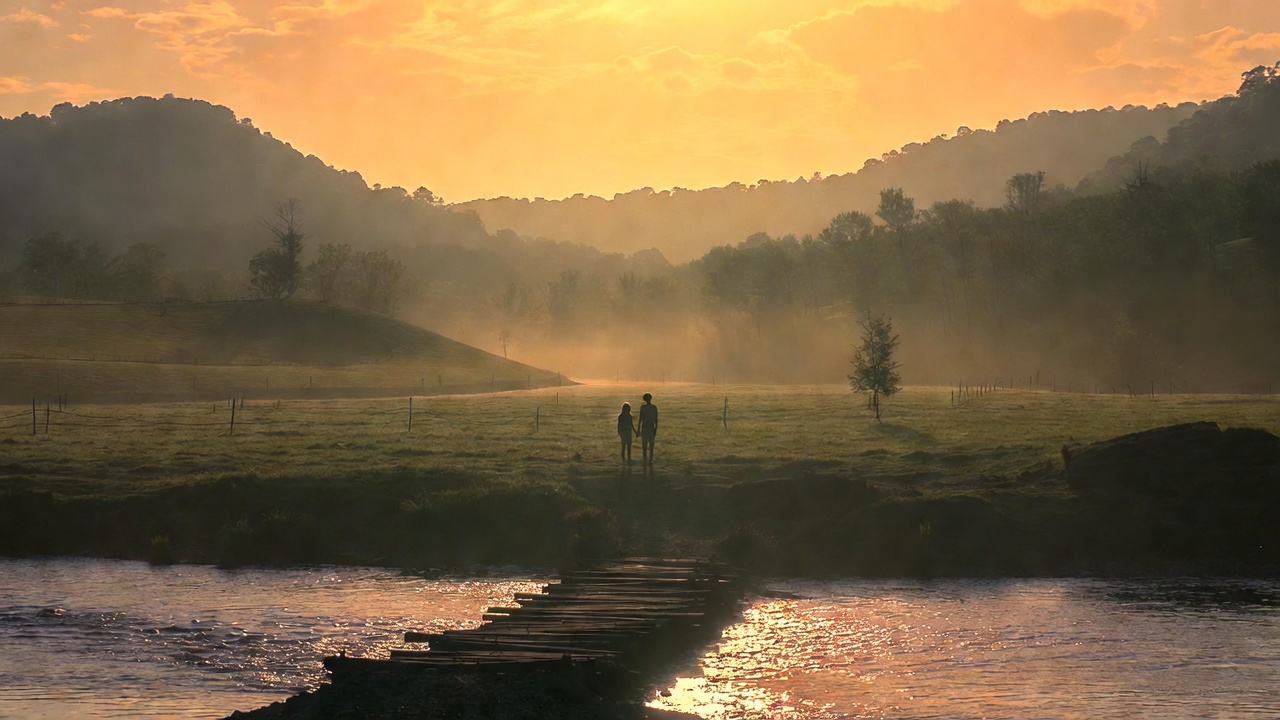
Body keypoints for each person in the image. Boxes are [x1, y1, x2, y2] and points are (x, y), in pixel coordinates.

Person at [637, 392, 658, 467]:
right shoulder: (654, 407)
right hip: (651, 427)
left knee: (644, 446)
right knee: (651, 445)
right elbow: (656, 419)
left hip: (645, 427)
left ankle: (645, 460)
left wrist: (638, 430)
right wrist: (656, 429)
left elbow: (640, 419)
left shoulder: (643, 407)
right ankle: (650, 460)